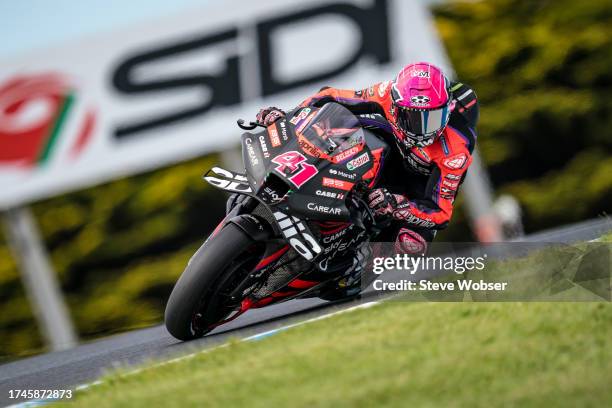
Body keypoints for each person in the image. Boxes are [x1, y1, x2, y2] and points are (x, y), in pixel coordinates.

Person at [255, 62, 479, 255]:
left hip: (418, 188)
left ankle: (355, 266)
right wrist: (288, 115)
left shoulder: (455, 151)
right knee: (342, 125)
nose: (422, 130)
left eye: (431, 119)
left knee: (410, 246)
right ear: (397, 105)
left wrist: (399, 205)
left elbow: (440, 212)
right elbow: (330, 96)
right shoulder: (385, 94)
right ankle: (315, 190)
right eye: (412, 118)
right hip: (385, 156)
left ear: (446, 111)